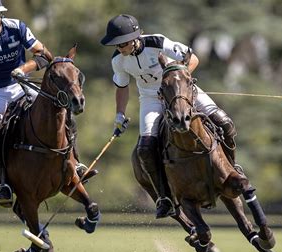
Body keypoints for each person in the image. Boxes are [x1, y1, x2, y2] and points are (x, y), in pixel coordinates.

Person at [0, 0, 93, 208]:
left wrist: (24, 69)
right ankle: (3, 183)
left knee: (59, 110)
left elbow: (45, 56)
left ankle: (75, 163)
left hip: (20, 85)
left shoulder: (17, 27)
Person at [100, 14, 242, 219]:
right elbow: (122, 87)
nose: (120, 48)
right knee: (145, 149)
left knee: (225, 123)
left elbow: (193, 59)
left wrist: (176, 81)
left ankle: (232, 168)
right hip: (150, 99)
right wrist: (120, 115)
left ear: (135, 37)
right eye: (116, 44)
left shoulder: (157, 42)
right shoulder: (118, 60)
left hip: (180, 92)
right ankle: (164, 198)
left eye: (122, 43)